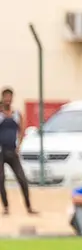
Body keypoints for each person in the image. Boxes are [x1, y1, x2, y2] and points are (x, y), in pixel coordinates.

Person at [0, 87, 36, 216]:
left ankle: (28, 206)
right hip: (1, 151)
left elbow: (21, 130)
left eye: (10, 97)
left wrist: (19, 145)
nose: (8, 100)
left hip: (12, 150)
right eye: (5, 97)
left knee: (22, 179)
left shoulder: (16, 114)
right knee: (1, 179)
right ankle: (6, 207)